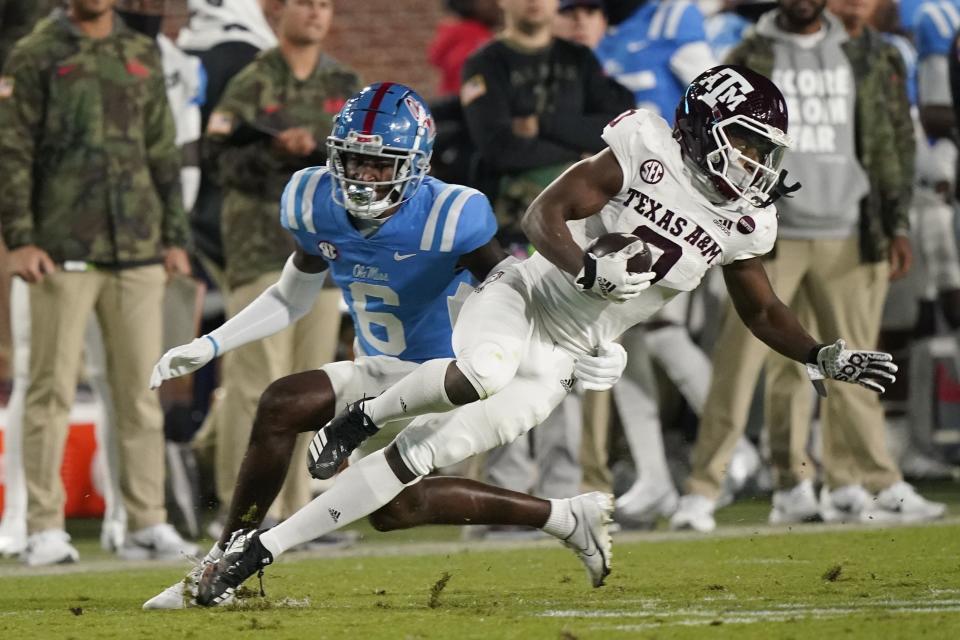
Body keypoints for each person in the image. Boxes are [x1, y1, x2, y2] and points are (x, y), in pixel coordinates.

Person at [196, 65, 900, 606]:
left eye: (760, 148)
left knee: (416, 466)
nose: (753, 161)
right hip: (523, 296)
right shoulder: (642, 149)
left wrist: (824, 352)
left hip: (566, 355)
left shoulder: (748, 221)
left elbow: (762, 308)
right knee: (482, 371)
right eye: (744, 140)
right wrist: (589, 271)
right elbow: (542, 217)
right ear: (704, 126)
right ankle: (357, 422)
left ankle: (262, 550)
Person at [143, 82, 626, 608]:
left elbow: (518, 290)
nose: (363, 177)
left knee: (308, 426)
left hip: (443, 377)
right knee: (391, 502)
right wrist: (212, 344)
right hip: (377, 367)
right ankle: (563, 516)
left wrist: (577, 346)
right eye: (352, 160)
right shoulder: (312, 201)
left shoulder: (452, 215)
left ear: (417, 165)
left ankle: (225, 566)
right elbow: (290, 298)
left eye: (380, 165)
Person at [671, 0, 942, 533]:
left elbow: (895, 141)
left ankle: (864, 482)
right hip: (770, 229)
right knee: (743, 363)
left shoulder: (869, 51)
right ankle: (714, 487)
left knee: (852, 362)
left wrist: (897, 222)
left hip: (849, 225)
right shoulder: (748, 54)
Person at [0, 0, 196, 565]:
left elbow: (162, 148)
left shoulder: (140, 52)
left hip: (137, 249)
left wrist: (174, 236)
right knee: (49, 390)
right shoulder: (36, 53)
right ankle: (42, 527)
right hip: (59, 252)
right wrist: (19, 239)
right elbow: (11, 153)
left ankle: (144, 523)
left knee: (140, 392)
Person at [199, 0, 359, 538]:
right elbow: (216, 158)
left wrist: (313, 149)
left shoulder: (344, 80)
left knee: (311, 385)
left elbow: (365, 163)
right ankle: (242, 510)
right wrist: (275, 152)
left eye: (324, 5)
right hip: (260, 247)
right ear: (278, 11)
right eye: (304, 3)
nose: (315, 13)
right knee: (254, 382)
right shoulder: (251, 81)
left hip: (324, 250)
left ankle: (296, 512)